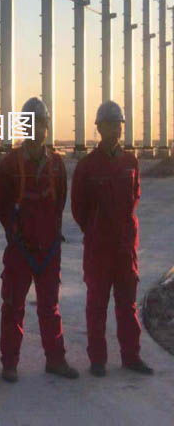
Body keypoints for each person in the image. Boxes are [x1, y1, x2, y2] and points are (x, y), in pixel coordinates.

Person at [0, 97, 78, 382]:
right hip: (21, 249)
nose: (36, 128)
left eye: (40, 123)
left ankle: (56, 359)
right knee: (13, 307)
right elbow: (0, 202)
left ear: (47, 126)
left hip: (48, 248)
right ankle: (9, 363)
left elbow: (60, 201)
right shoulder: (10, 164)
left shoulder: (56, 164)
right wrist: (14, 229)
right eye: (30, 123)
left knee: (50, 307)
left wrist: (48, 232)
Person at [71, 100, 154, 378]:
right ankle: (98, 360)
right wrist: (96, 229)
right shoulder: (87, 166)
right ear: (99, 128)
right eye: (109, 125)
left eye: (118, 125)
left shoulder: (131, 162)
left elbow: (135, 196)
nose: (115, 130)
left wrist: (124, 232)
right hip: (99, 249)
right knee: (97, 306)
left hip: (125, 247)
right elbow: (78, 208)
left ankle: (131, 356)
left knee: (127, 305)